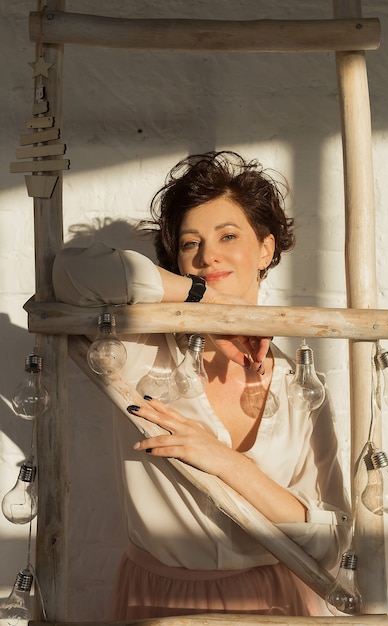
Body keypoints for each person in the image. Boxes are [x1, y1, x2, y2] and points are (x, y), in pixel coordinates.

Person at [52, 151, 351, 618]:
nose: (207, 254)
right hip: (160, 602)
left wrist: (227, 463)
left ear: (266, 249)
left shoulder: (301, 388)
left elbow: (331, 540)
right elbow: (68, 274)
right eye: (191, 244)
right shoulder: (139, 349)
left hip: (277, 603)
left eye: (228, 236)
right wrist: (203, 298)